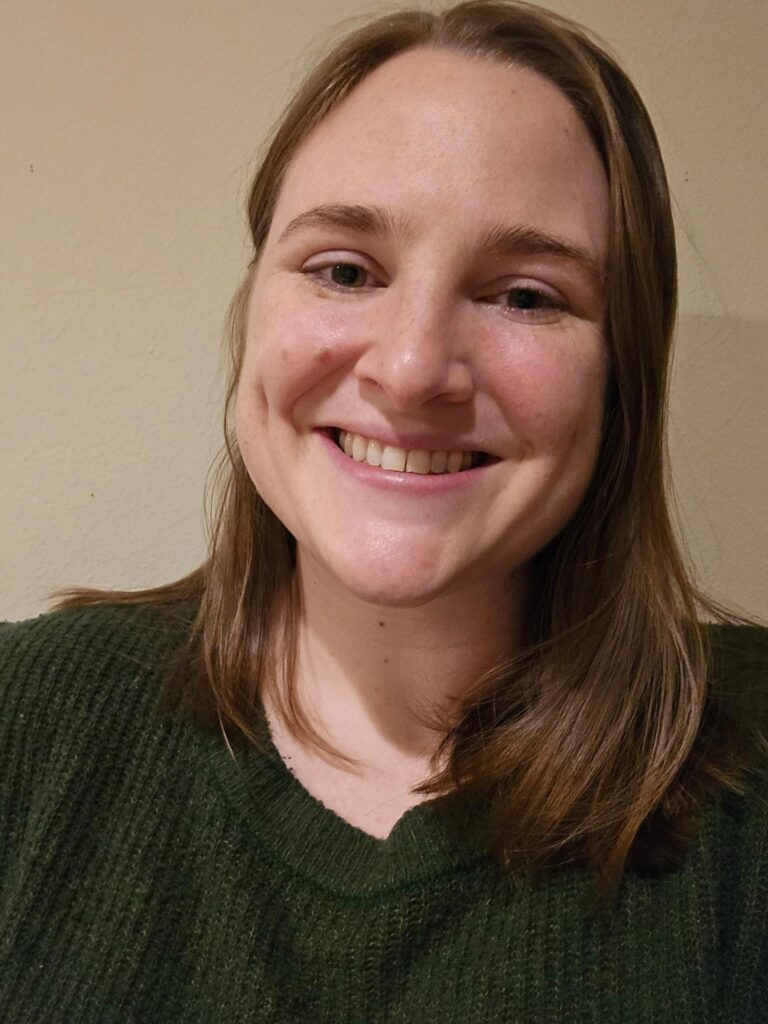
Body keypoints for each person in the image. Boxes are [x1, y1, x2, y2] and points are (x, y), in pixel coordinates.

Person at [1, 1, 767, 1020]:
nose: (410, 371)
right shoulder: (27, 720)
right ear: (252, 313)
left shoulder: (747, 779)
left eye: (527, 296)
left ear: (622, 371)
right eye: (345, 271)